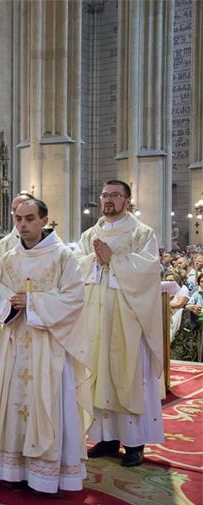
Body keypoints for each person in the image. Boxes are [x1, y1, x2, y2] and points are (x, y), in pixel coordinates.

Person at [0, 198, 90, 496]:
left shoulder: (63, 256)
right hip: (16, 342)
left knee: (48, 403)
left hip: (49, 345)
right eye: (18, 219)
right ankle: (15, 470)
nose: (22, 224)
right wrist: (11, 304)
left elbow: (74, 298)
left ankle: (48, 475)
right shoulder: (9, 258)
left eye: (29, 218)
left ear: (44, 221)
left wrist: (32, 302)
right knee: (15, 401)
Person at [75, 179, 164, 467]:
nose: (108, 200)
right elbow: (75, 267)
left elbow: (149, 270)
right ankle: (106, 438)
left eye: (115, 195)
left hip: (128, 321)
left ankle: (135, 443)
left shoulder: (142, 233)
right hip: (96, 320)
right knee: (99, 375)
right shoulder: (90, 235)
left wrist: (114, 260)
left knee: (129, 376)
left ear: (127, 200)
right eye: (105, 195)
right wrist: (95, 261)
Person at [0, 192, 35, 271]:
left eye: (21, 208)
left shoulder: (48, 242)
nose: (17, 214)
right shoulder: (4, 245)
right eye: (14, 210)